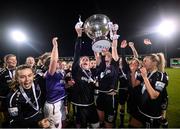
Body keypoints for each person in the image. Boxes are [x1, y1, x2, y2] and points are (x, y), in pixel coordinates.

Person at [70, 21, 101, 128]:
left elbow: (100, 64)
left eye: (87, 59)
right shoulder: (76, 71)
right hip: (80, 105)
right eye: (83, 59)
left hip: (91, 104)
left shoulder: (92, 72)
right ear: (79, 63)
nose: (85, 60)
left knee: (96, 125)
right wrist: (79, 36)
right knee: (82, 126)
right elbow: (77, 52)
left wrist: (97, 49)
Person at [130, 53, 168, 128]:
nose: (143, 63)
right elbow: (134, 84)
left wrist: (145, 77)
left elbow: (154, 96)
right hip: (141, 110)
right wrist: (133, 71)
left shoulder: (160, 76)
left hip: (151, 114)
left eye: (145, 61)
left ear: (154, 63)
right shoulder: (146, 73)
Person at [96, 23, 120, 128]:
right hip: (100, 95)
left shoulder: (114, 65)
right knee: (101, 122)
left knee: (108, 124)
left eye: (108, 56)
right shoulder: (101, 66)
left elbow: (114, 47)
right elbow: (96, 53)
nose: (106, 57)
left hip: (111, 98)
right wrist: (97, 39)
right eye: (104, 55)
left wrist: (114, 33)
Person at [43, 37, 66, 129]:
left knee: (62, 121)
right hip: (53, 103)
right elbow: (53, 60)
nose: (58, 63)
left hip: (60, 100)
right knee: (54, 127)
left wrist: (68, 84)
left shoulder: (60, 72)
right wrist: (55, 46)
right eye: (57, 62)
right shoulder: (50, 73)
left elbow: (60, 84)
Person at [0, 54, 17, 127]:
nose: (14, 61)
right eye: (12, 59)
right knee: (6, 121)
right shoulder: (1, 72)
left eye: (15, 60)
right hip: (5, 100)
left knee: (17, 118)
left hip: (17, 99)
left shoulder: (19, 71)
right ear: (6, 61)